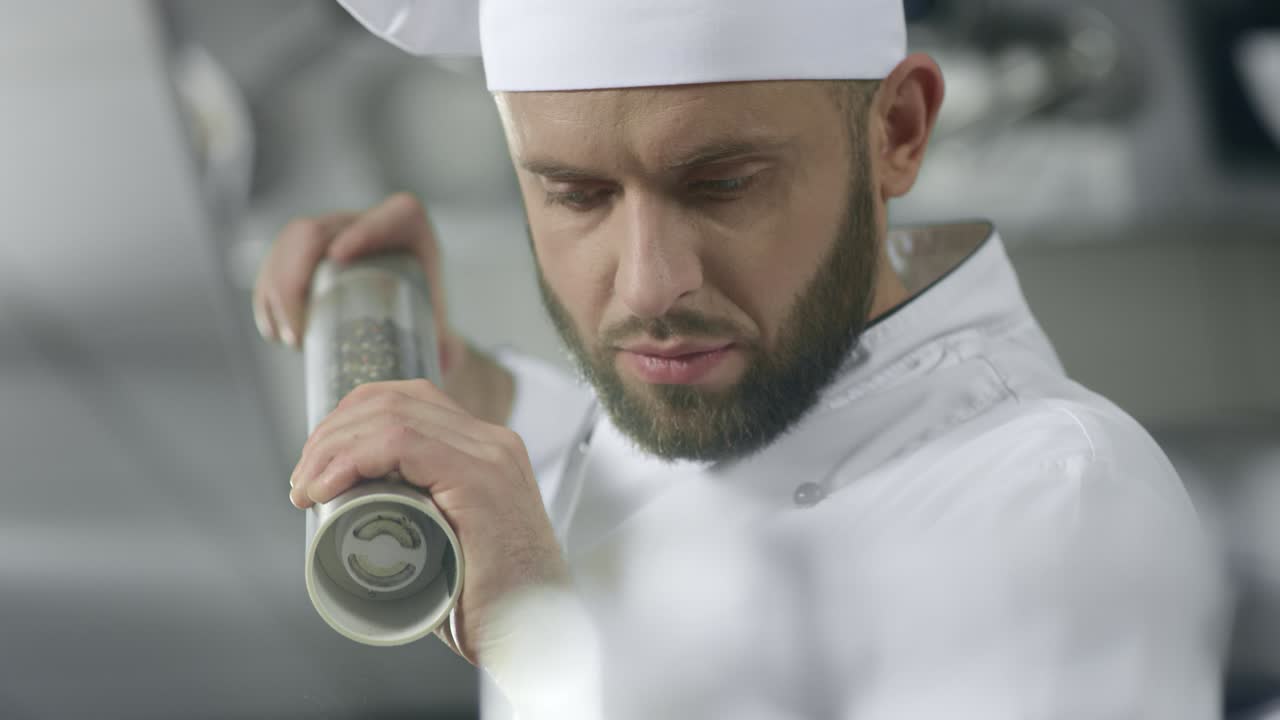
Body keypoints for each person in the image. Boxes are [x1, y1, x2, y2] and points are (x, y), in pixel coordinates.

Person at [255, 1, 1228, 717]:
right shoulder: (734, 371)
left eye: (720, 185)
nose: (647, 286)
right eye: (576, 196)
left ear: (896, 132)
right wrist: (468, 384)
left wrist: (541, 628)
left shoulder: (1050, 504)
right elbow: (666, 480)